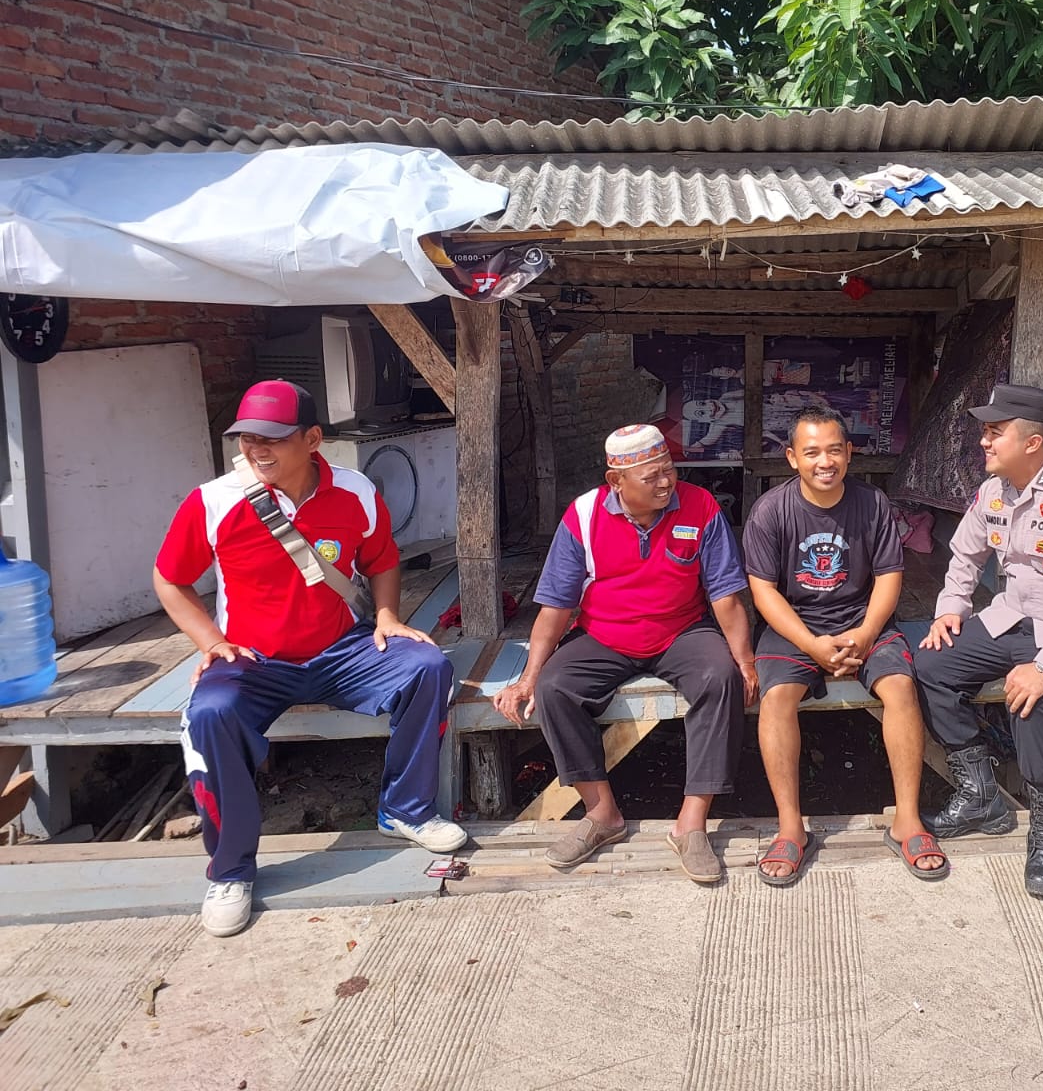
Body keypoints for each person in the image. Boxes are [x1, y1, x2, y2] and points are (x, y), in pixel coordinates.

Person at [153, 380, 464, 939]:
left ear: (313, 439)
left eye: (272, 437)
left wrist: (388, 616)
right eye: (247, 437)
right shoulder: (214, 500)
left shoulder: (355, 490)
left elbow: (381, 558)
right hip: (254, 661)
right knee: (208, 713)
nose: (256, 448)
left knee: (429, 666)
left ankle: (405, 809)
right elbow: (169, 578)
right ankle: (231, 870)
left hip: (341, 650)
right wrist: (209, 641)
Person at [493, 424, 757, 884]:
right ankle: (602, 813)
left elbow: (725, 596)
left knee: (720, 678)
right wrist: (529, 676)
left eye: (669, 470)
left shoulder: (701, 506)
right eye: (652, 476)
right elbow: (556, 607)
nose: (666, 482)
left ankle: (691, 823)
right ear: (616, 481)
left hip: (681, 630)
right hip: (603, 634)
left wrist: (745, 661)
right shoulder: (583, 514)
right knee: (555, 688)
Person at [914, 383, 1043, 900]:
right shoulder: (995, 491)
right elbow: (965, 555)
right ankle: (979, 792)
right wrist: (950, 609)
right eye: (985, 432)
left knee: (1032, 695)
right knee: (930, 665)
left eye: (995, 432)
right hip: (1011, 620)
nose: (983, 442)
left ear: (1032, 442)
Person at [742, 407, 948, 886]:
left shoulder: (873, 503)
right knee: (776, 699)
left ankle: (907, 820)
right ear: (792, 458)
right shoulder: (771, 510)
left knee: (900, 686)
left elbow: (889, 575)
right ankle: (791, 827)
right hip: (795, 626)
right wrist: (811, 644)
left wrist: (867, 632)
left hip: (863, 621)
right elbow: (763, 591)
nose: (825, 461)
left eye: (835, 450)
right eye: (812, 452)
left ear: (849, 453)